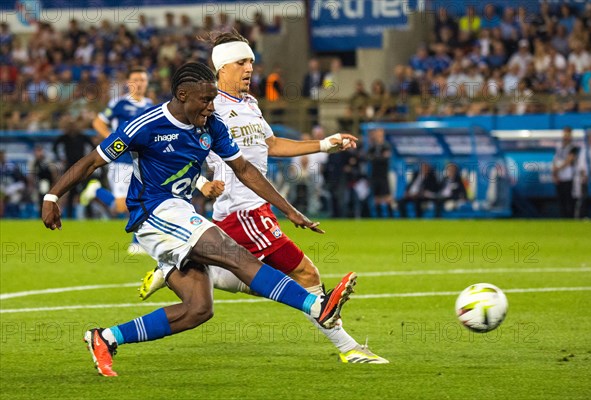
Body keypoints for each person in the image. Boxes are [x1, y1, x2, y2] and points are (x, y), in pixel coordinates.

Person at [41, 62, 357, 377]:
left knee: (198, 309)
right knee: (235, 254)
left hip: (180, 212)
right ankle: (317, 307)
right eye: (204, 100)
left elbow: (245, 170)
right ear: (182, 95)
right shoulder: (145, 125)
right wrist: (53, 196)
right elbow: (92, 161)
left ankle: (105, 337)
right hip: (154, 212)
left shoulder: (212, 125)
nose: (210, 106)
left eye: (212, 99)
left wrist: (288, 210)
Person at [139, 32, 387, 364]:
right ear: (222, 67)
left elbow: (271, 146)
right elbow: (173, 153)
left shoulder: (251, 105)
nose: (249, 68)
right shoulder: (207, 106)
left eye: (251, 62)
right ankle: (349, 349)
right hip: (243, 211)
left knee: (267, 280)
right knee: (305, 275)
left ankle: (175, 265)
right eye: (241, 62)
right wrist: (200, 184)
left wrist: (325, 144)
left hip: (256, 207)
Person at [83, 66, 153, 254]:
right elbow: (97, 122)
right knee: (122, 207)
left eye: (143, 80)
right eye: (136, 80)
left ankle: (137, 243)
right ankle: (97, 191)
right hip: (121, 160)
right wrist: (113, 140)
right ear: (129, 83)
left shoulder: (150, 105)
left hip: (143, 160)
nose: (139, 83)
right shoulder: (119, 104)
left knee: (142, 200)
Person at [367, 128, 394, 218]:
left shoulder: (386, 146)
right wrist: (378, 158)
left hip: (383, 175)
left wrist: (375, 158)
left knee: (387, 197)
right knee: (377, 198)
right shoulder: (373, 147)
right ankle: (379, 217)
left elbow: (385, 158)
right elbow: (368, 157)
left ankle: (390, 216)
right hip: (375, 175)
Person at [552, 126, 577, 218]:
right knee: (561, 199)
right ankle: (563, 218)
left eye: (567, 135)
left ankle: (570, 217)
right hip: (560, 176)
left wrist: (558, 168)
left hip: (569, 176)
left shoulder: (572, 147)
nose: (565, 136)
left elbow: (569, 160)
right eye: (564, 134)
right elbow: (554, 160)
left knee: (569, 199)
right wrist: (554, 173)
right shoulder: (559, 147)